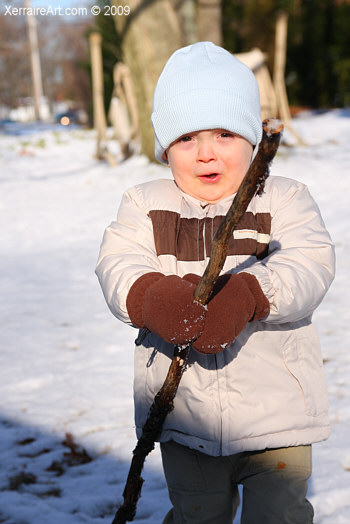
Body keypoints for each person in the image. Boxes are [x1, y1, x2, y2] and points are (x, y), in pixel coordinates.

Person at [96, 42, 335, 524]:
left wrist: (251, 293)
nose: (206, 153)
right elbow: (117, 262)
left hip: (277, 416)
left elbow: (311, 263)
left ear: (251, 138)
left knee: (281, 518)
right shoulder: (145, 204)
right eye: (186, 139)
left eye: (225, 134)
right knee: (196, 516)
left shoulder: (285, 199)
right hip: (185, 417)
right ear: (165, 148)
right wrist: (152, 296)